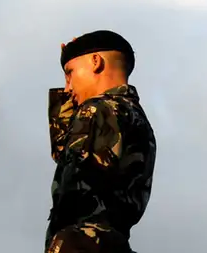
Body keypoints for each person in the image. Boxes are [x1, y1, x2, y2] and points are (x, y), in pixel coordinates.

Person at [46, 30, 156, 253]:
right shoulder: (134, 116)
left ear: (96, 61)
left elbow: (73, 187)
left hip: (81, 244)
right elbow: (65, 152)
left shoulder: (96, 110)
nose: (68, 88)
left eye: (70, 73)